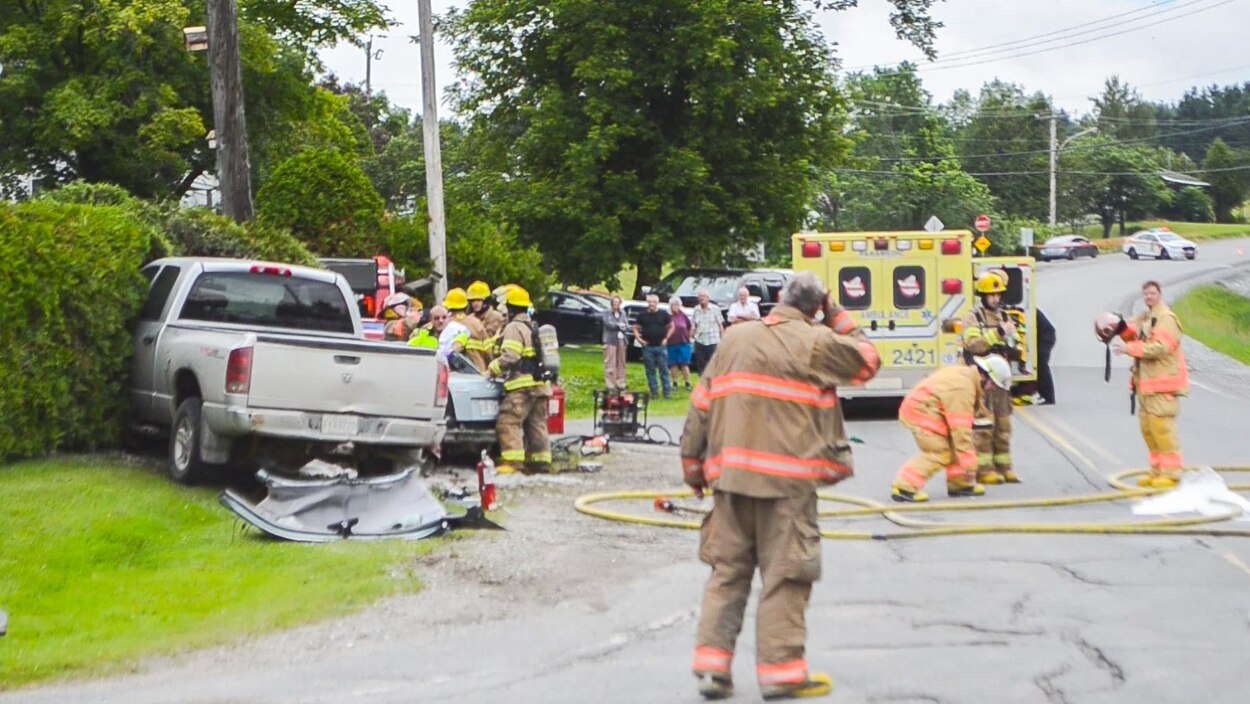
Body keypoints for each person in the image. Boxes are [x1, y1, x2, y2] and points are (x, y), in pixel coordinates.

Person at [681, 272, 879, 701]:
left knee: (727, 572)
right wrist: (838, 315)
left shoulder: (735, 339)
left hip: (730, 481)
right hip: (787, 485)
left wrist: (692, 467)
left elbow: (701, 403)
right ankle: (782, 673)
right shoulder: (816, 342)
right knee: (786, 576)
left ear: (779, 300)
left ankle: (712, 668)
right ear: (816, 308)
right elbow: (867, 360)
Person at [1101, 280, 1189, 489]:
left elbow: (1159, 347)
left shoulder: (1166, 318)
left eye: (1152, 293)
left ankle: (1172, 473)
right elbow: (1133, 331)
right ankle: (1157, 470)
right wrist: (1116, 327)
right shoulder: (1146, 317)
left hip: (1163, 385)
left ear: (1159, 294)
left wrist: (1130, 349)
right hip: (1146, 386)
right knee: (1148, 429)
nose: (1148, 297)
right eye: (1146, 294)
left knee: (1162, 429)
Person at [890, 355, 1013, 503]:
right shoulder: (963, 388)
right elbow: (961, 431)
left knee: (953, 445)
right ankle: (904, 487)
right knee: (939, 452)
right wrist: (970, 467)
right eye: (993, 384)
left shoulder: (968, 378)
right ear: (984, 376)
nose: (993, 389)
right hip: (921, 412)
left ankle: (959, 484)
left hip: (926, 408)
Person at [961, 270, 1022, 485]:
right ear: (983, 296)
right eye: (991, 295)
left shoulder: (1005, 317)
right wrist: (998, 334)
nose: (995, 299)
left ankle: (1004, 467)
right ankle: (984, 469)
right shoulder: (973, 317)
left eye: (998, 295)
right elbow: (973, 345)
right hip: (981, 379)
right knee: (984, 426)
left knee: (1004, 425)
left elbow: (1015, 342)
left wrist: (1015, 343)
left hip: (1001, 379)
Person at [488, 286, 553, 475]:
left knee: (508, 422)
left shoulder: (514, 327)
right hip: (540, 385)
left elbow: (511, 356)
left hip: (521, 386)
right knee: (537, 425)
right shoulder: (533, 326)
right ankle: (541, 463)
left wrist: (492, 368)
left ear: (511, 308)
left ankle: (513, 464)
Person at [634, 293, 673, 399]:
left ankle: (667, 392)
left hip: (661, 346)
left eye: (654, 302)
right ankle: (654, 392)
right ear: (647, 302)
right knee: (650, 370)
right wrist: (639, 339)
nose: (651, 304)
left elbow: (671, 327)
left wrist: (666, 338)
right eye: (650, 302)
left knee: (664, 370)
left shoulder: (663, 314)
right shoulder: (642, 315)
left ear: (657, 303)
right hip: (648, 347)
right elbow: (635, 328)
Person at [445, 287, 491, 372]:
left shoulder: (445, 325)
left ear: (447, 306)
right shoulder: (476, 323)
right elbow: (488, 352)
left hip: (453, 375)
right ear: (466, 306)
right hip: (478, 372)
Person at [601, 295, 632, 392]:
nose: (616, 304)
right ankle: (610, 383)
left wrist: (624, 326)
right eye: (614, 302)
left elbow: (626, 325)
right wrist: (618, 325)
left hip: (621, 339)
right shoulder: (606, 313)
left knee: (621, 361)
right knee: (610, 361)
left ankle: (621, 382)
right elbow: (608, 324)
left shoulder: (623, 313)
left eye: (618, 302)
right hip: (610, 339)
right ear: (611, 303)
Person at [690, 288, 724, 375]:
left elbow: (720, 325)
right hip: (700, 341)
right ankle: (703, 384)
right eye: (700, 296)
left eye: (704, 296)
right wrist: (691, 337)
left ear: (708, 298)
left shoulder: (715, 309)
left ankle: (713, 383)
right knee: (701, 365)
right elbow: (693, 326)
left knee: (713, 364)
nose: (702, 298)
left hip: (713, 341)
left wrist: (722, 339)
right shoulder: (696, 309)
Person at [667, 297, 694, 391]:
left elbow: (690, 327)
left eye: (677, 305)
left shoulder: (683, 316)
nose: (675, 307)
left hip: (684, 343)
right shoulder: (668, 316)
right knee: (673, 364)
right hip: (671, 343)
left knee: (684, 364)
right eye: (673, 305)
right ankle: (674, 383)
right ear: (670, 306)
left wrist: (689, 337)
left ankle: (687, 382)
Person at [468, 280, 506, 347]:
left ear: (486, 301)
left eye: (479, 300)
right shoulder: (468, 319)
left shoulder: (499, 317)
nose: (475, 303)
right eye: (473, 300)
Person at [1035, 309, 1056, 405]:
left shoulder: (1030, 309)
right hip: (1042, 335)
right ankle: (1042, 392)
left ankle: (1049, 397)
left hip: (1046, 336)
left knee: (1041, 363)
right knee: (1038, 363)